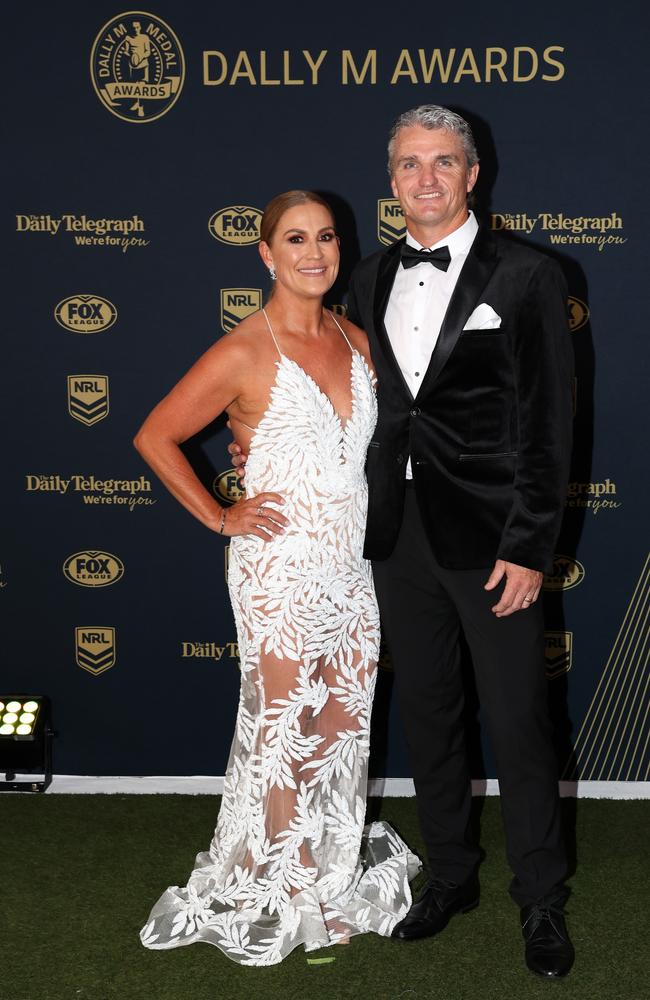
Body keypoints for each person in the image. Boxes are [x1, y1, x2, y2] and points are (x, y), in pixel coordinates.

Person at [230, 108, 575, 978]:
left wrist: (532, 545)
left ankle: (540, 898)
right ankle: (451, 875)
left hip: (496, 538)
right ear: (392, 181)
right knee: (427, 714)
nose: (426, 178)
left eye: (443, 163)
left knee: (519, 723)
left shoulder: (532, 275)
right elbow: (341, 395)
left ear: (473, 173)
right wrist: (254, 447)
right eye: (410, 164)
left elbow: (551, 426)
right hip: (391, 537)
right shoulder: (367, 278)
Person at [134, 190, 419, 967]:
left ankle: (329, 875)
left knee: (341, 726)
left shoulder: (358, 339)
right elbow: (155, 434)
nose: (314, 252)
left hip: (349, 565)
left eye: (326, 236)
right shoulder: (243, 350)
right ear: (266, 254)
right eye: (295, 239)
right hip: (279, 570)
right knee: (282, 728)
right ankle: (290, 890)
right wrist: (221, 516)